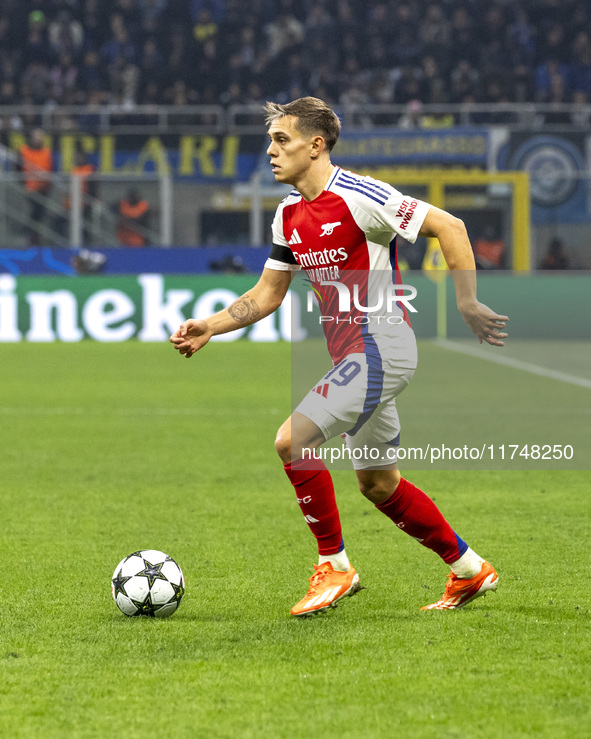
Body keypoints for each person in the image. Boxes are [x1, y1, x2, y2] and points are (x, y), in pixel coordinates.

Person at [170, 97, 509, 617]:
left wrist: (466, 301)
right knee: (378, 484)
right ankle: (469, 570)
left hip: (383, 349)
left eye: (282, 140)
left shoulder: (360, 196)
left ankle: (335, 566)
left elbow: (451, 227)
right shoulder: (289, 214)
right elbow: (267, 294)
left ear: (317, 144)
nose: (271, 151)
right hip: (353, 357)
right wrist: (210, 326)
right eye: (271, 141)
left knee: (292, 439)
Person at [19, 128, 53, 245]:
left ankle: (37, 240)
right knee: (32, 216)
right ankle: (31, 240)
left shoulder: (46, 152)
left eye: (41, 136)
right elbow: (18, 169)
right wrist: (22, 185)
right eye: (37, 136)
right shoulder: (24, 151)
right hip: (30, 189)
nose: (39, 138)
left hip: (44, 190)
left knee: (41, 217)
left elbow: (51, 169)